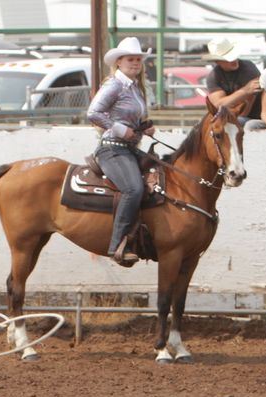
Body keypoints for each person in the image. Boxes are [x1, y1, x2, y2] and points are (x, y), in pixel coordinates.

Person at [86, 36, 156, 266]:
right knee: (133, 189)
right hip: (112, 149)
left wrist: (143, 126)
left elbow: (130, 118)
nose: (135, 63)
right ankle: (117, 245)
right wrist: (119, 129)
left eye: (138, 59)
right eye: (130, 59)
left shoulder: (135, 87)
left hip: (129, 148)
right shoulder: (114, 84)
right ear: (119, 62)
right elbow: (93, 112)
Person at [202, 38, 262, 124]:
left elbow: (245, 110)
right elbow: (218, 105)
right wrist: (244, 91)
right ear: (218, 62)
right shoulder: (213, 76)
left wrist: (227, 101)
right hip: (231, 118)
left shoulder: (248, 69)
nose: (233, 60)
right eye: (228, 59)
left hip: (253, 118)